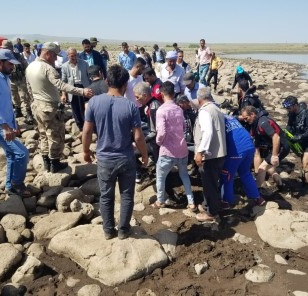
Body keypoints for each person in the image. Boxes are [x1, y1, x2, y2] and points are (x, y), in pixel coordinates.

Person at [82, 64, 148, 240]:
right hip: (125, 157)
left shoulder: (94, 102)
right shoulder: (130, 106)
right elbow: (138, 137)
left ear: (106, 81)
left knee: (106, 196)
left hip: (104, 158)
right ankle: (124, 231)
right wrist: (145, 155)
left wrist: (85, 151)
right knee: (127, 196)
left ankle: (108, 230)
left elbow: (87, 131)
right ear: (126, 84)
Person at [26, 42, 94, 173]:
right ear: (47, 54)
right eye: (54, 56)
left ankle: (46, 161)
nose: (56, 59)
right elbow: (61, 85)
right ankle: (54, 162)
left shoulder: (30, 66)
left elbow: (29, 88)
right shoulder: (47, 68)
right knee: (56, 135)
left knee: (43, 135)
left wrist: (33, 102)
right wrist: (82, 91)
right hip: (48, 107)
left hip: (36, 106)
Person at [0, 49, 31, 197]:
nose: (12, 67)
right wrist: (4, 126)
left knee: (11, 155)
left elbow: (6, 104)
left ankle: (9, 185)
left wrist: (14, 124)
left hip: (5, 124)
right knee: (22, 153)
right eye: (10, 64)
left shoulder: (4, 76)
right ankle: (17, 184)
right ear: (0, 62)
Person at [153, 81, 195, 211]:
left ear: (162, 93)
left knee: (160, 176)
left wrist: (159, 142)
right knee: (184, 175)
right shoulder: (179, 109)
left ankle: (160, 200)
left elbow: (162, 132)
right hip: (182, 149)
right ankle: (191, 202)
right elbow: (183, 127)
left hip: (168, 150)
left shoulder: (161, 110)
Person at [194, 87, 227, 222]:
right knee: (212, 182)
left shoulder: (205, 111)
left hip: (211, 154)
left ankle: (212, 213)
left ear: (199, 99)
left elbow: (207, 132)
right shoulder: (217, 109)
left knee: (210, 184)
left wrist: (200, 152)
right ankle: (207, 205)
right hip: (219, 153)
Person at [241, 106, 290, 190]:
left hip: (282, 146)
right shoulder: (254, 125)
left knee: (262, 167)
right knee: (270, 170)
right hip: (273, 146)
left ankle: (256, 191)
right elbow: (256, 153)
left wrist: (274, 156)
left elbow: (276, 138)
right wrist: (257, 173)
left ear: (252, 114)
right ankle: (281, 185)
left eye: (246, 118)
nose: (245, 121)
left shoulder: (263, 123)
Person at [221, 115, 264, 208]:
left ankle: (226, 202)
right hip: (249, 146)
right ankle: (258, 198)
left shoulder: (217, 119)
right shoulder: (230, 117)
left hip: (237, 149)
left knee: (227, 175)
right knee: (245, 173)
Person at [282, 96, 308, 194]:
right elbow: (289, 127)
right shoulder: (291, 114)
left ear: (295, 105)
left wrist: (299, 137)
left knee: (305, 162)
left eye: (289, 107)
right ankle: (307, 171)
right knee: (304, 163)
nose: (287, 110)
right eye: (286, 108)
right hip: (300, 143)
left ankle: (305, 186)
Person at [1, 40, 34, 125]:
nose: (4, 50)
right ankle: (18, 110)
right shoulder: (3, 58)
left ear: (11, 48)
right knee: (14, 95)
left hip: (21, 80)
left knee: (25, 96)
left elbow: (26, 66)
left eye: (5, 48)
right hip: (10, 79)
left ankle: (28, 113)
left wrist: (27, 77)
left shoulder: (18, 56)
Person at [61, 48, 91, 131]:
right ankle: (80, 127)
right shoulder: (64, 66)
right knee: (75, 108)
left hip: (84, 87)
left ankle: (87, 125)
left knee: (86, 107)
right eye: (72, 56)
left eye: (75, 55)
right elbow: (63, 82)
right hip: (72, 89)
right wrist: (63, 94)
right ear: (68, 56)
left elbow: (89, 77)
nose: (74, 57)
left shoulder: (84, 63)